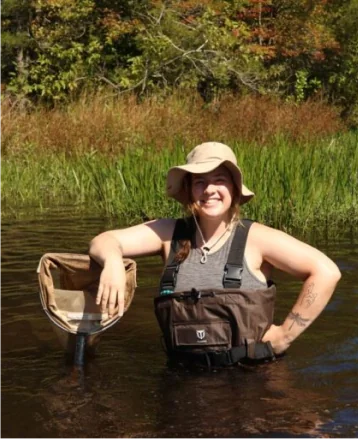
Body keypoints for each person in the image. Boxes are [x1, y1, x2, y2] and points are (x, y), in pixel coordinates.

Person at [89, 142, 341, 367]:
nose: (209, 189)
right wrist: (112, 263)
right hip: (181, 380)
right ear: (188, 190)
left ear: (234, 188)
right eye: (199, 181)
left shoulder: (257, 238)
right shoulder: (169, 233)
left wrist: (285, 334)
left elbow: (326, 272)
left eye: (219, 179)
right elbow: (104, 241)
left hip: (252, 383)